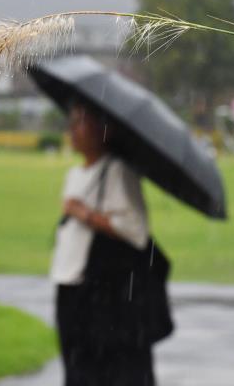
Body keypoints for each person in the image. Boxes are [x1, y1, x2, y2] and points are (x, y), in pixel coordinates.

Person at [51, 100, 159, 386]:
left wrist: (83, 213)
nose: (73, 130)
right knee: (77, 369)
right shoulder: (74, 175)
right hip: (70, 285)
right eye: (71, 122)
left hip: (102, 293)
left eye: (81, 122)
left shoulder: (118, 172)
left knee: (109, 371)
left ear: (104, 130)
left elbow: (136, 230)